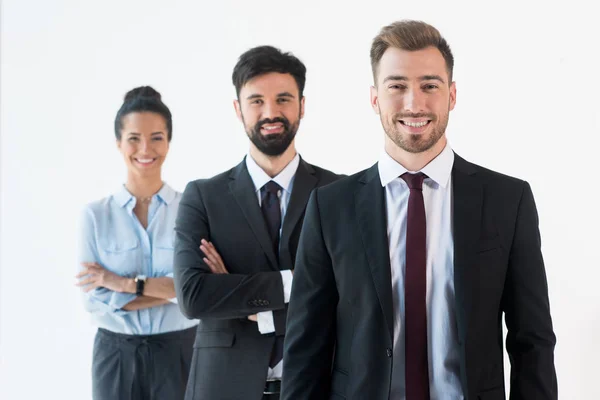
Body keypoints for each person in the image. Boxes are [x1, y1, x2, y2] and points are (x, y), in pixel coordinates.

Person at [281, 20, 557, 400]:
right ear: (375, 97)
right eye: (397, 86)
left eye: (430, 85)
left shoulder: (507, 200)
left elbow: (533, 341)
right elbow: (305, 347)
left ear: (452, 95)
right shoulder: (330, 207)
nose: (414, 103)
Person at [173, 45, 341, 400]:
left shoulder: (339, 193)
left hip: (317, 385)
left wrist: (244, 302)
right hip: (222, 387)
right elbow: (193, 297)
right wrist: (296, 283)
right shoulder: (203, 197)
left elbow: (353, 299)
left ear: (302, 105)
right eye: (256, 101)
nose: (271, 112)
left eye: (283, 99)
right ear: (238, 109)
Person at [76, 86, 197, 400]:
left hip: (181, 349)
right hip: (116, 354)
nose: (145, 148)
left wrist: (122, 284)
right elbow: (95, 301)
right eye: (134, 138)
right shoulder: (95, 215)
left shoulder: (192, 209)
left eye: (156, 137)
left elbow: (197, 289)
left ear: (168, 142)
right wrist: (172, 291)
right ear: (119, 143)